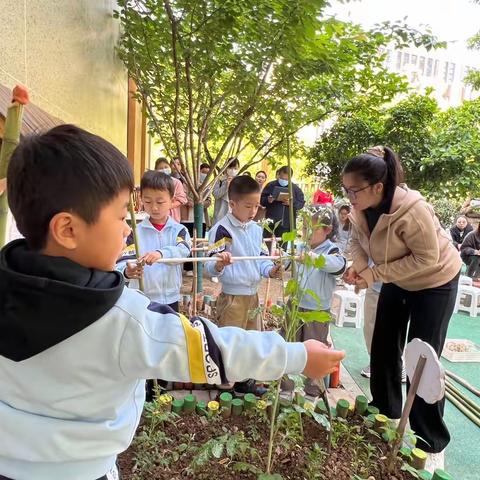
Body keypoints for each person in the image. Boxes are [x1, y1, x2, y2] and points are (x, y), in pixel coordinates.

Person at [0, 125, 345, 480]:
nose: (125, 229)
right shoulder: (121, 320)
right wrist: (299, 356)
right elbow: (214, 348)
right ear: (68, 230)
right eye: (121, 217)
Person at [342, 145, 461, 471]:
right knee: (382, 347)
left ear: (377, 186)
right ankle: (384, 412)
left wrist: (373, 274)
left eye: (354, 190)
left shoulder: (413, 210)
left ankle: (430, 441)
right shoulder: (360, 207)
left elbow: (427, 258)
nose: (349, 196)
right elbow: (355, 241)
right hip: (398, 277)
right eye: (346, 190)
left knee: (424, 359)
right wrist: (359, 265)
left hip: (436, 282)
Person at [205, 176, 283, 395]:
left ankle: (245, 381)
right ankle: (225, 386)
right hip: (232, 297)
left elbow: (261, 259)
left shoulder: (256, 229)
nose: (253, 210)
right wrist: (219, 264)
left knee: (252, 340)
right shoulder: (222, 230)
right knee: (230, 342)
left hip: (253, 296)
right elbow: (210, 265)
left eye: (256, 205)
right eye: (248, 206)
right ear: (232, 204)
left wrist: (271, 270)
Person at [117, 170, 191, 312]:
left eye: (160, 201)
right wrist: (127, 271)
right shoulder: (134, 233)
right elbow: (122, 262)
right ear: (141, 199)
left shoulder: (179, 230)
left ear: (172, 199)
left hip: (171, 298)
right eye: (148, 201)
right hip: (142, 299)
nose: (154, 207)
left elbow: (183, 251)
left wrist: (161, 254)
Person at [297, 206, 347, 396]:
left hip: (317, 312)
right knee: (292, 344)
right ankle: (286, 387)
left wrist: (314, 258)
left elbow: (339, 265)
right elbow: (285, 262)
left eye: (311, 228)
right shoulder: (300, 246)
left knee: (316, 350)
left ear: (327, 230)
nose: (305, 233)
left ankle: (313, 391)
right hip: (295, 306)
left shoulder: (332, 251)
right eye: (304, 228)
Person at [181, 162, 212, 276]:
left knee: (198, 242)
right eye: (202, 172)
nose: (204, 175)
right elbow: (182, 197)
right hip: (186, 218)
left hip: (201, 218)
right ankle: (188, 266)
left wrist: (200, 204)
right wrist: (188, 202)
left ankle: (197, 266)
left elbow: (209, 201)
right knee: (188, 241)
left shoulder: (207, 185)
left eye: (206, 173)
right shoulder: (186, 184)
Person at [260, 166, 305, 241]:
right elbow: (262, 199)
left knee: (282, 245)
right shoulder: (271, 185)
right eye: (282, 178)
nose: (283, 181)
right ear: (278, 175)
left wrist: (291, 203)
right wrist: (268, 200)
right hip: (271, 222)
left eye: (286, 179)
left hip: (286, 223)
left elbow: (301, 203)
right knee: (267, 241)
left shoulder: (295, 189)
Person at [154, 157, 187, 222]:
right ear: (156, 170)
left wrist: (168, 206)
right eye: (160, 168)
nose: (164, 169)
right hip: (157, 218)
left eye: (166, 167)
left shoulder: (176, 182)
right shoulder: (153, 184)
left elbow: (181, 199)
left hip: (173, 219)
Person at [212, 157, 239, 224]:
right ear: (226, 167)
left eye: (235, 168)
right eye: (230, 168)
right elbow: (216, 195)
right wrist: (226, 185)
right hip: (220, 217)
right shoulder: (219, 179)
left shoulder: (240, 181)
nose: (233, 170)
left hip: (235, 217)